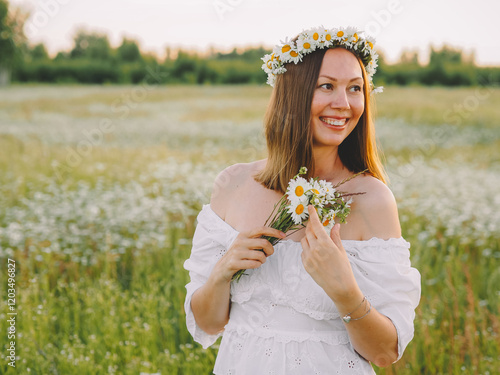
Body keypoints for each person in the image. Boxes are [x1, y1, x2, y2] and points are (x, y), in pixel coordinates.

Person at [184, 26, 421, 374]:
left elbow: (385, 352)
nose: (343, 104)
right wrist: (222, 272)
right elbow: (207, 323)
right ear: (292, 93)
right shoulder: (232, 185)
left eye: (355, 88)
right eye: (327, 86)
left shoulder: (372, 200)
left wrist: (345, 291)